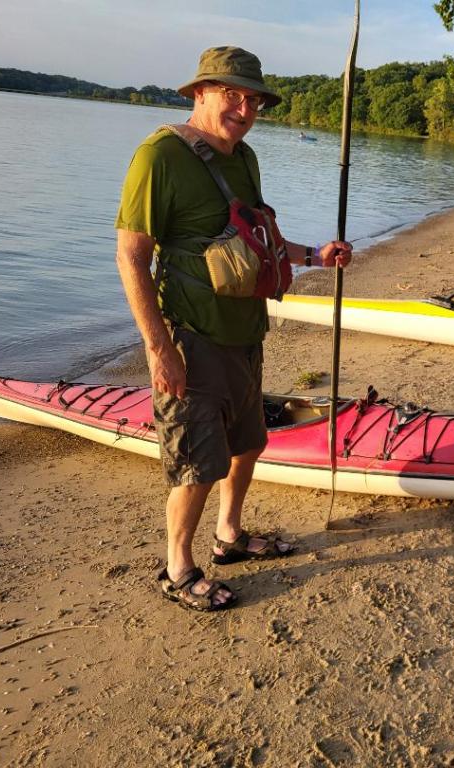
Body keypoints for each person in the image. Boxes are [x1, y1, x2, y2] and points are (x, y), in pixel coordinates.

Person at [114, 46, 352, 612]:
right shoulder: (158, 158)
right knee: (198, 459)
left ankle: (230, 536)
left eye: (253, 99)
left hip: (246, 327)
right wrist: (158, 347)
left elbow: (258, 239)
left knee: (249, 441)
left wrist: (316, 255)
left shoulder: (244, 158)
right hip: (192, 335)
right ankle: (177, 568)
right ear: (199, 93)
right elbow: (131, 256)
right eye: (232, 94)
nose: (244, 108)